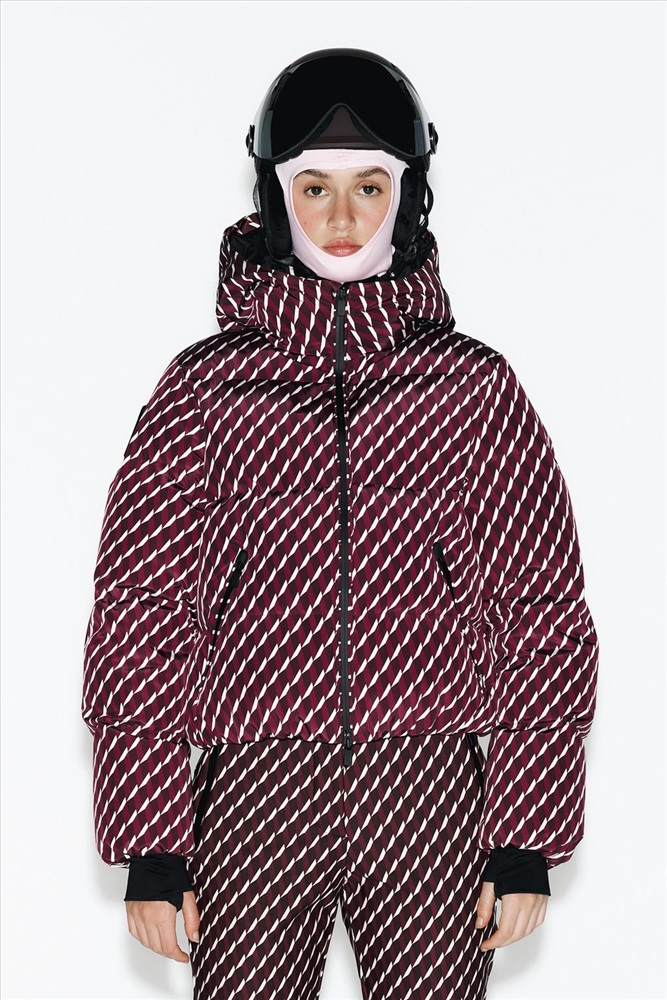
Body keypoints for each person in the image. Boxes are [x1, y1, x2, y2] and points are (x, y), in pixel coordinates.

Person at [81, 48, 599, 1000]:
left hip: (427, 782)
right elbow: (142, 613)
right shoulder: (204, 390)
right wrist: (152, 844)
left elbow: (540, 610)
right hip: (257, 782)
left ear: (408, 195)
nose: (343, 217)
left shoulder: (472, 389)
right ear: (276, 197)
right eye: (314, 187)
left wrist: (524, 834)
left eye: (370, 186)